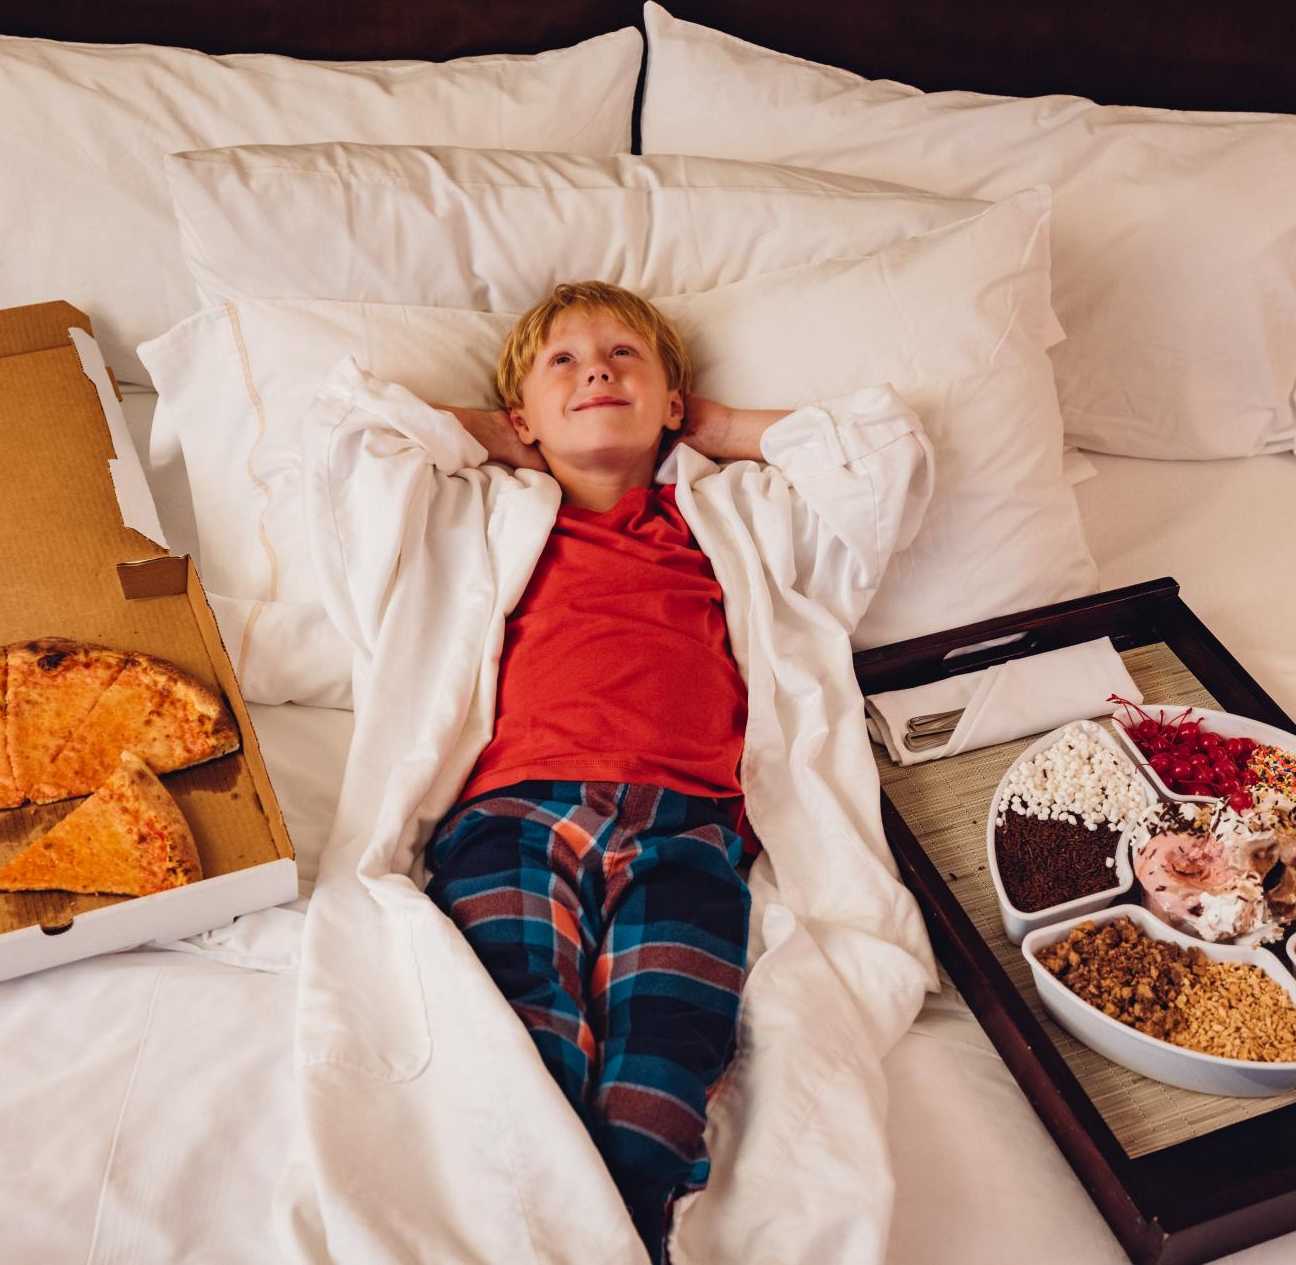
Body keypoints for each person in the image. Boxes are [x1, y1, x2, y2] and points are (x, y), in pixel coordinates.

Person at [298, 280, 934, 1262]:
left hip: (690, 834)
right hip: (510, 820)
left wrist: (709, 427)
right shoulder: (480, 515)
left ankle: (623, 1234)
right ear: (519, 416)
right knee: (524, 1048)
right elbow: (349, 441)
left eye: (624, 358)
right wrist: (509, 439)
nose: (596, 367)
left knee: (665, 1065)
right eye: (563, 362)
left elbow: (881, 454)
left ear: (672, 401)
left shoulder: (737, 516)